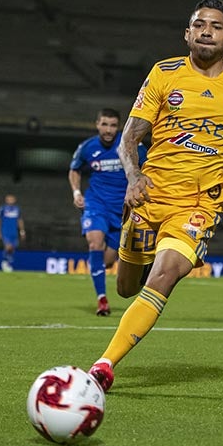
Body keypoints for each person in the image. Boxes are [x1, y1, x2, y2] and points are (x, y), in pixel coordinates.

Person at [86, 0, 223, 392]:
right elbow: (130, 138)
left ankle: (103, 366)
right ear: (187, 33)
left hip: (200, 203)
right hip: (150, 198)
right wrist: (133, 177)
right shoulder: (164, 74)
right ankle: (142, 257)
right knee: (127, 287)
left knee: (165, 275)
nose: (206, 31)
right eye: (199, 24)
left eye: (215, 26)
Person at [68, 108, 148, 316]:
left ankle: (98, 271)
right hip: (96, 204)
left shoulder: (130, 145)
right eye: (104, 124)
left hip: (122, 210)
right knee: (95, 243)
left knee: (109, 261)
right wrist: (77, 192)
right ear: (97, 124)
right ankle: (102, 300)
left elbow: (149, 166)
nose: (108, 129)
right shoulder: (87, 147)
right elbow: (74, 169)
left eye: (113, 125)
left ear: (119, 126)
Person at [0, 194, 25, 272]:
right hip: (5, 231)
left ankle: (7, 261)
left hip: (14, 232)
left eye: (12, 199)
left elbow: (20, 220)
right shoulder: (2, 209)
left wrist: (22, 231)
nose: (10, 200)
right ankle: (4, 262)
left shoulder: (17, 209)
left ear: (14, 200)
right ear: (6, 200)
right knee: (8, 247)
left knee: (12, 248)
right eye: (9, 199)